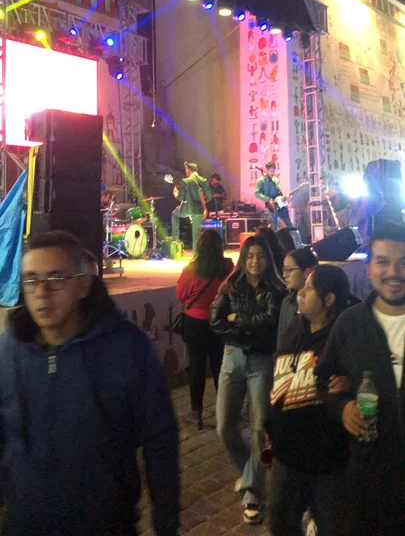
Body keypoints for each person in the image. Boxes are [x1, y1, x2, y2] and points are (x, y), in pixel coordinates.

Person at [0, 230, 179, 536]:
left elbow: (159, 438)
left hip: (105, 525)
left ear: (83, 284)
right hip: (24, 524)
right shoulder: (9, 350)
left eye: (56, 278)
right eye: (31, 280)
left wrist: (166, 523)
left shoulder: (126, 348)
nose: (41, 292)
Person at [315, 221, 405, 536]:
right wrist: (343, 407)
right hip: (369, 479)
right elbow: (323, 379)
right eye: (383, 261)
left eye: (403, 262)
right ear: (369, 269)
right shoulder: (350, 325)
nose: (394, 272)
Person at [268, 264, 354, 536]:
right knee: (280, 524)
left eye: (309, 288)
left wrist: (352, 384)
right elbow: (280, 373)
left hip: (325, 461)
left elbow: (369, 376)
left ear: (329, 299)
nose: (301, 292)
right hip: (286, 453)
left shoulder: (345, 336)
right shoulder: (297, 325)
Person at [211, 236, 285, 525]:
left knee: (258, 427)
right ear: (243, 258)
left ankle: (253, 493)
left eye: (260, 256)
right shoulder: (230, 286)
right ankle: (248, 472)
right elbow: (215, 321)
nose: (255, 261)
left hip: (261, 361)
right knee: (224, 427)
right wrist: (242, 324)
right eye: (251, 256)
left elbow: (270, 321)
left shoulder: (276, 290)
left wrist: (236, 319)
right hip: (232, 356)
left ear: (268, 259)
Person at [176, 229, 233, 429]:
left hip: (195, 323)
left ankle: (197, 413)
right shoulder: (228, 267)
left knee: (196, 367)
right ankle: (225, 411)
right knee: (219, 366)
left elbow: (180, 294)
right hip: (219, 321)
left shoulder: (191, 269)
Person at [277, 247, 319, 347]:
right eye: (284, 270)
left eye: (289, 270)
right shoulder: (287, 302)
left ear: (307, 272)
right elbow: (282, 340)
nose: (284, 275)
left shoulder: (320, 302)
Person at [171, 161, 212, 251]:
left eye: (186, 169)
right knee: (196, 235)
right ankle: (195, 254)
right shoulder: (204, 180)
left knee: (174, 214)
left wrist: (175, 193)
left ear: (188, 170)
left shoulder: (186, 181)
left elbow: (180, 198)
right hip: (199, 210)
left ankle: (175, 241)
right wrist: (201, 203)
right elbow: (209, 197)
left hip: (187, 209)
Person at [254, 161, 293, 229]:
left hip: (280, 204)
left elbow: (279, 191)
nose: (272, 173)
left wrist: (284, 197)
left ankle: (293, 235)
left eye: (273, 171)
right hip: (271, 206)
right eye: (271, 171)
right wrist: (268, 199)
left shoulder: (275, 179)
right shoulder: (261, 181)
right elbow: (257, 194)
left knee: (289, 224)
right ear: (266, 170)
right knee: (274, 226)